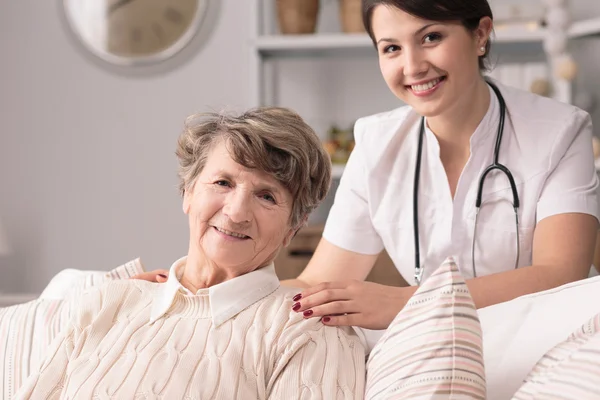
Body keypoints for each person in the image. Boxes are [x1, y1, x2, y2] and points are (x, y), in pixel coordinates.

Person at [137, 0, 600, 332]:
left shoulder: (560, 130)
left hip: (544, 336)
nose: (413, 66)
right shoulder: (377, 143)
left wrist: (405, 302)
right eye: (391, 48)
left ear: (480, 34)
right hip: (436, 342)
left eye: (431, 38)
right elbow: (319, 282)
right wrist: (192, 291)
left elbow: (561, 273)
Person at [15, 107, 366, 399]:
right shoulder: (110, 301)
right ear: (188, 192)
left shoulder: (309, 330)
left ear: (294, 226)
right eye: (223, 183)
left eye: (267, 196)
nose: (236, 212)